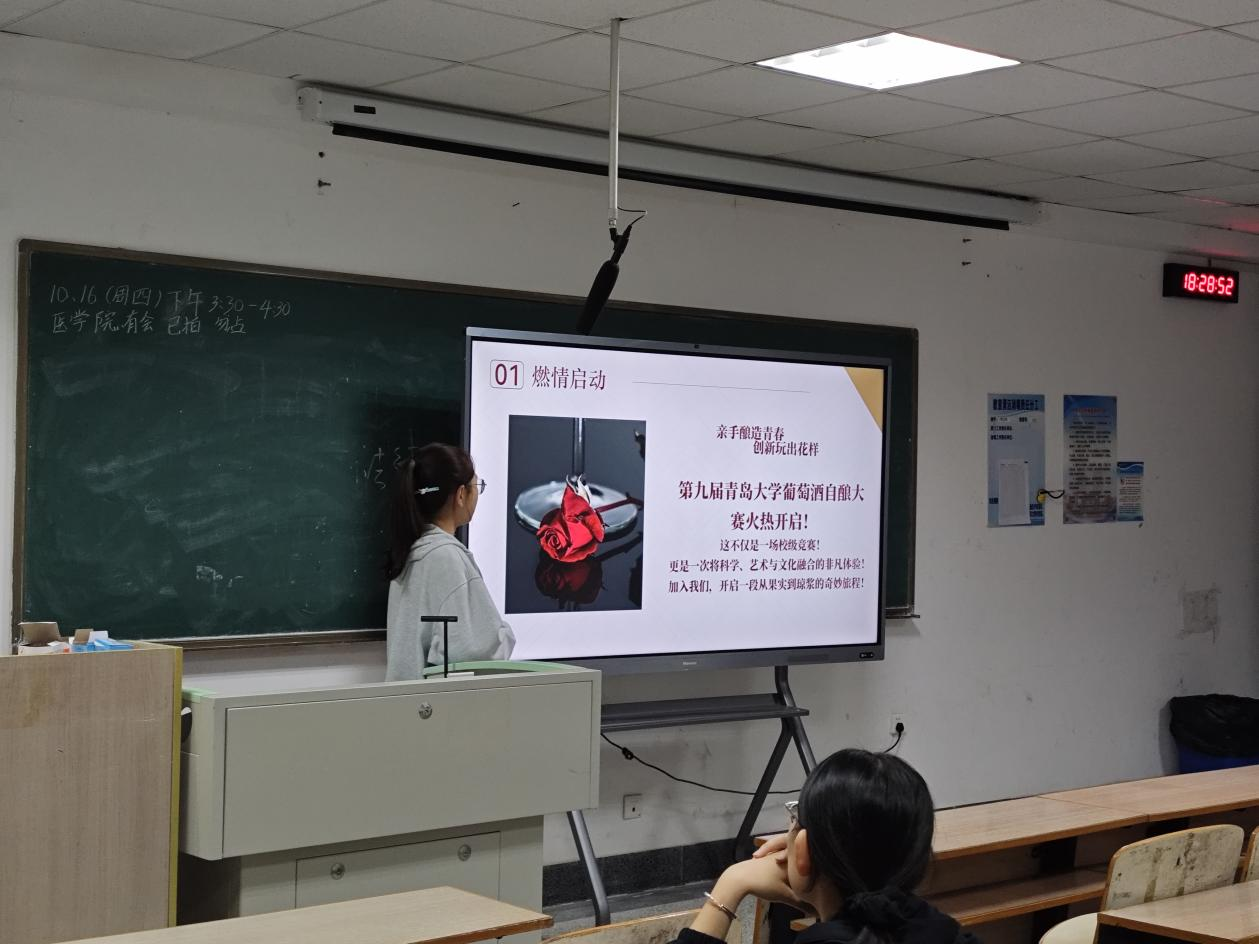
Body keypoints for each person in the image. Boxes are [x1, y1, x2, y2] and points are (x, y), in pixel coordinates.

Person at [679, 749, 979, 944]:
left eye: (795, 820)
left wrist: (731, 883)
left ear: (803, 851)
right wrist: (824, 900)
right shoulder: (948, 933)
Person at [385, 443, 514, 680]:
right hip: (436, 700)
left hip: (408, 698)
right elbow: (475, 652)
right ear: (461, 495)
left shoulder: (413, 553)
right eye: (476, 486)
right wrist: (504, 635)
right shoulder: (446, 557)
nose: (477, 494)